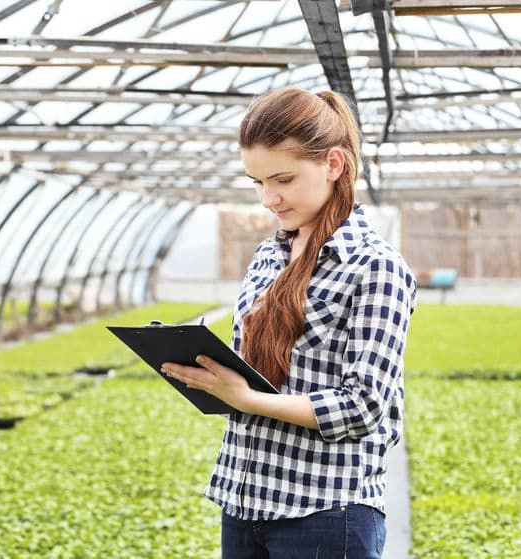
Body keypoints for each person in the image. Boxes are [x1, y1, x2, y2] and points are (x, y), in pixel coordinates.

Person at [161, 86, 417, 559]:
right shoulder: (268, 254)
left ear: (334, 166)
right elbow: (267, 371)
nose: (268, 198)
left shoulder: (375, 267)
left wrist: (249, 399)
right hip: (245, 500)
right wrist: (207, 371)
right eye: (257, 182)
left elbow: (363, 406)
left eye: (282, 179)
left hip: (325, 512)